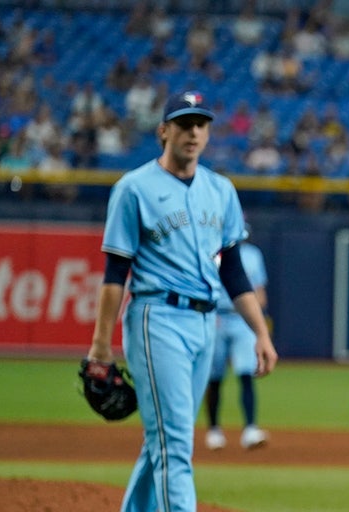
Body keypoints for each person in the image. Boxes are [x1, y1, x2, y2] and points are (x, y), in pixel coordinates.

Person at [85, 91, 278, 512]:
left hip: (205, 323)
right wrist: (101, 345)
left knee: (166, 439)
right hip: (158, 318)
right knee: (175, 445)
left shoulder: (222, 190)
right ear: (163, 131)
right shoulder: (133, 188)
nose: (193, 132)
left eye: (201, 124)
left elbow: (234, 272)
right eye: (184, 123)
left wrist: (260, 332)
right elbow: (116, 273)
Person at [205, 228, 271, 450]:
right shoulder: (212, 251)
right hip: (217, 317)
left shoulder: (253, 255)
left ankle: (250, 429)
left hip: (242, 320)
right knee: (215, 378)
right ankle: (213, 430)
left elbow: (260, 292)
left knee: (246, 373)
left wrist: (257, 319)